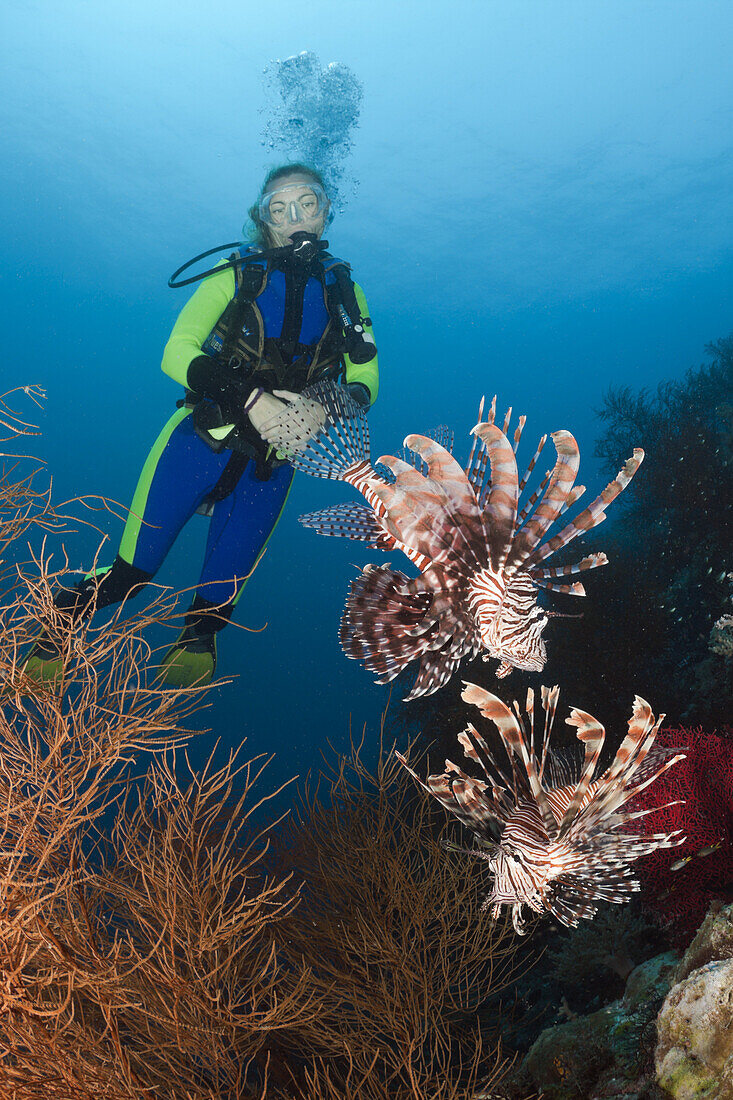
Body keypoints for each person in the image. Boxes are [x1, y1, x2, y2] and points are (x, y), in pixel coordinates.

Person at [27, 164, 378, 687]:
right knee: (132, 575)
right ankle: (60, 621)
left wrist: (326, 409)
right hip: (197, 444)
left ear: (326, 211)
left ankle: (189, 653)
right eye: (277, 209)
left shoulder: (343, 291)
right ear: (262, 221)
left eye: (307, 204)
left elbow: (366, 375)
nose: (293, 219)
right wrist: (252, 398)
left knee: (216, 603)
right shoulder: (234, 272)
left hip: (272, 465)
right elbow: (175, 353)